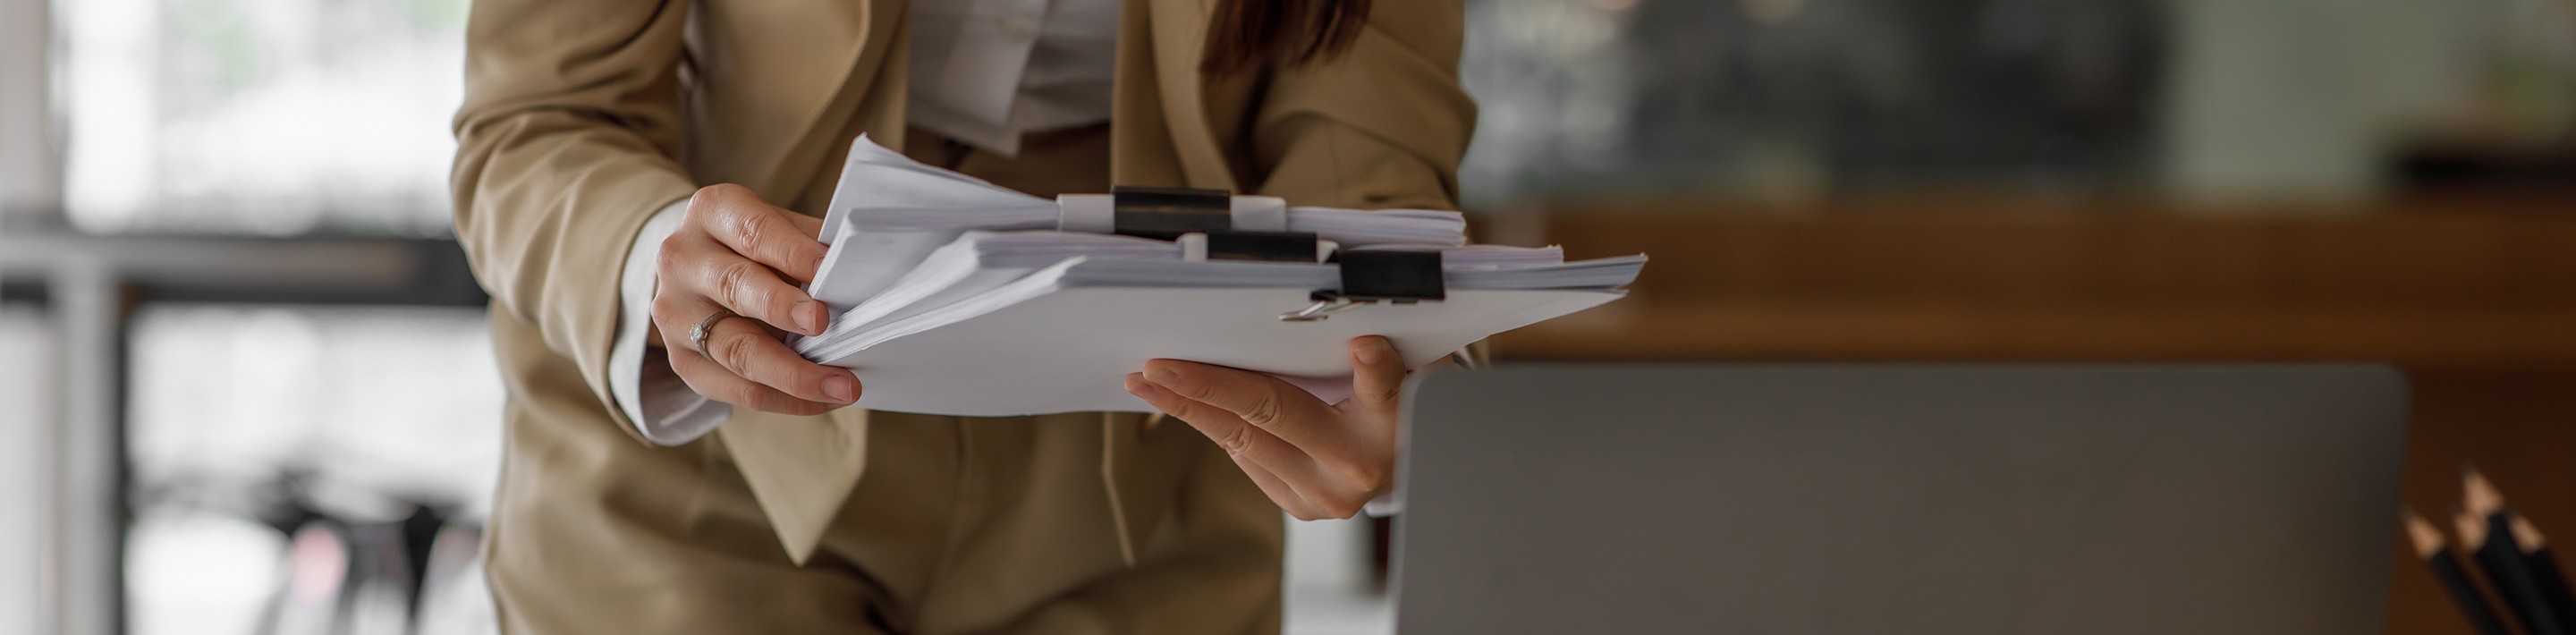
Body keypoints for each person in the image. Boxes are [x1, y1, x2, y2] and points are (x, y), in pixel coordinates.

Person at [450, 0, 1472, 631]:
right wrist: (652, 253)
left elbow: (1364, 153)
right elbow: (535, 120)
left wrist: (1374, 368)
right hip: (709, 433)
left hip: (1153, 457)